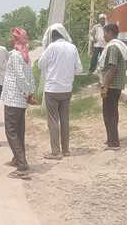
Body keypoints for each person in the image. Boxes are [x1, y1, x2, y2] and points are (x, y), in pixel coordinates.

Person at [38, 24, 82, 160]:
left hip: (52, 89)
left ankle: (55, 151)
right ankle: (66, 150)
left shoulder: (51, 47)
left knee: (53, 121)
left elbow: (40, 65)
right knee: (64, 119)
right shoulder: (72, 47)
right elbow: (79, 69)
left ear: (52, 37)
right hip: (66, 89)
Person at [2, 28, 36, 179]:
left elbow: (21, 78)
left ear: (17, 40)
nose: (10, 39)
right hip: (20, 100)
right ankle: (17, 159)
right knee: (19, 131)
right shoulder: (25, 55)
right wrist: (30, 93)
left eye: (13, 37)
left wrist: (27, 93)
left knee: (11, 132)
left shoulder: (15, 55)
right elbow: (30, 77)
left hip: (14, 99)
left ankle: (22, 165)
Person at [97, 23, 127, 150]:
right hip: (116, 85)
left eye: (105, 33)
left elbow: (112, 68)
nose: (104, 36)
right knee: (112, 112)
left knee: (109, 113)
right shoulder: (118, 45)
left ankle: (114, 142)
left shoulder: (113, 47)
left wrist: (105, 86)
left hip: (111, 85)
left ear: (110, 33)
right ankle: (111, 138)